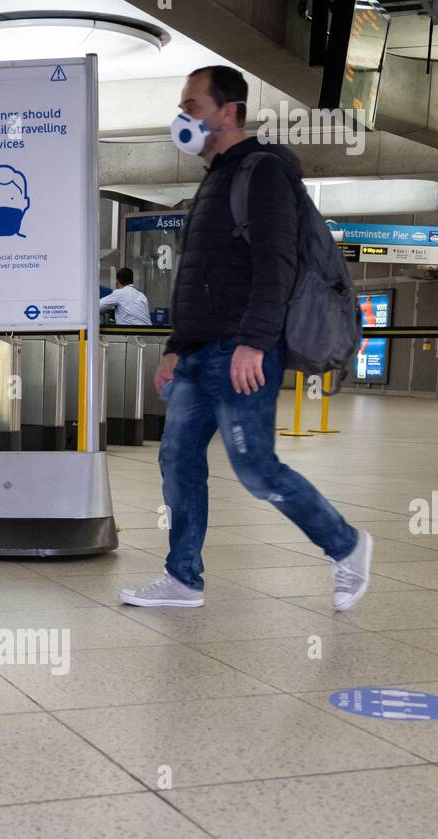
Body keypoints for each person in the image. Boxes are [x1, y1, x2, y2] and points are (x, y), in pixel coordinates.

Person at [120, 66, 371, 611]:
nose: (181, 116)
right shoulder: (214, 179)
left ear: (227, 111)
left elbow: (276, 263)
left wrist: (256, 343)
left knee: (256, 470)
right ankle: (183, 578)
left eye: (192, 104)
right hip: (198, 355)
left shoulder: (263, 171)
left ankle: (347, 544)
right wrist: (174, 348)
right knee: (178, 460)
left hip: (242, 353)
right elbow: (198, 278)